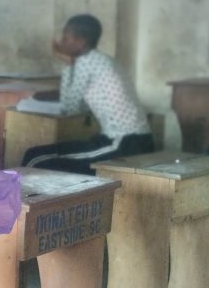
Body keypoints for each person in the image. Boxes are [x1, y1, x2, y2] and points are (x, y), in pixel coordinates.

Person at [21, 14, 154, 174]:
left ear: (80, 42)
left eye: (65, 36)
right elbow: (82, 105)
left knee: (36, 160)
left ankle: (23, 198)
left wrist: (69, 63)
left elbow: (69, 108)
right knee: (34, 155)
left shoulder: (85, 63)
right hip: (127, 139)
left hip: (125, 143)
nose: (61, 41)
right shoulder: (101, 60)